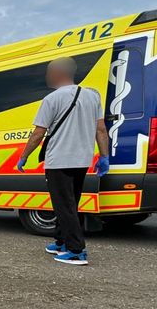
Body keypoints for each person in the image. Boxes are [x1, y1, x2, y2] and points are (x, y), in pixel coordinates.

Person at [16, 57, 110, 265]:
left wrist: (24, 156)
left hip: (59, 160)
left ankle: (76, 251)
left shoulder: (52, 99)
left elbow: (38, 133)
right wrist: (104, 156)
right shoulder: (92, 96)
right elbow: (101, 129)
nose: (47, 76)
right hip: (82, 160)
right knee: (70, 203)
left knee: (63, 205)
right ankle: (60, 241)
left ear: (58, 74)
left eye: (49, 72)